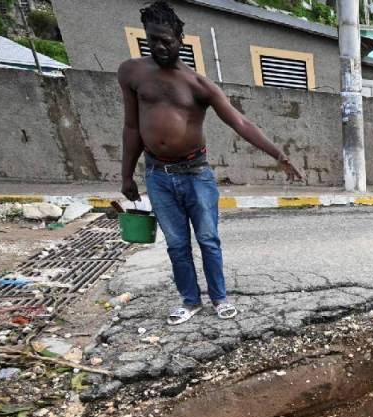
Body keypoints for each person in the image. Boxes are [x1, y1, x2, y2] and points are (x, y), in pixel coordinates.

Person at [118, 1, 301, 325]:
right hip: (158, 175)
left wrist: (279, 155)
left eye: (167, 40)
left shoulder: (199, 85)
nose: (160, 46)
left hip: (195, 174)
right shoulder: (132, 73)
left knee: (207, 240)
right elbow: (132, 126)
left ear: (181, 39)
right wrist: (127, 175)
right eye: (153, 40)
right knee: (176, 245)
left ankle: (219, 298)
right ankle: (190, 301)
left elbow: (240, 123)